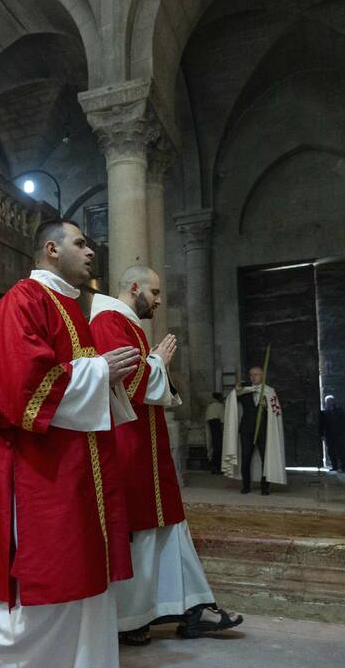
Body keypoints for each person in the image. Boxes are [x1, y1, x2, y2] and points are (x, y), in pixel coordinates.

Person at [0, 220, 139, 668]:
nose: (92, 251)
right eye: (82, 243)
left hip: (80, 471)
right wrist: (99, 371)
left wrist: (107, 374)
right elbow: (23, 385)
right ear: (52, 249)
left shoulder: (71, 310)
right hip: (42, 474)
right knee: (51, 585)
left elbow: (80, 380)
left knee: (86, 588)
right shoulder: (23, 301)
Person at [90, 266, 242, 646]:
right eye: (154, 292)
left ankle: (194, 607)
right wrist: (157, 361)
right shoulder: (109, 320)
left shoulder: (125, 322)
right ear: (135, 288)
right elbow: (129, 380)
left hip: (146, 445)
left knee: (170, 526)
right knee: (141, 533)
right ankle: (131, 619)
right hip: (130, 446)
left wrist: (155, 362)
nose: (158, 300)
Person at [221, 366, 286, 494]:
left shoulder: (269, 391)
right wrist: (236, 391)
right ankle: (246, 486)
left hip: (263, 430)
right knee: (245, 459)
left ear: (262, 376)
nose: (253, 377)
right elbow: (231, 400)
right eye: (251, 375)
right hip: (246, 429)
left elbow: (276, 411)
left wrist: (266, 406)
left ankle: (265, 487)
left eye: (256, 374)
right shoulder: (245, 391)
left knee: (265, 458)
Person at [319, 394, 345, 471]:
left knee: (341, 450)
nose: (328, 403)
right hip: (329, 435)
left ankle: (344, 466)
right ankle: (334, 466)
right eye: (327, 402)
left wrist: (344, 432)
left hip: (339, 434)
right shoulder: (324, 413)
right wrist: (322, 434)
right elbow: (322, 425)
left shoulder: (339, 410)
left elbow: (344, 421)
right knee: (331, 451)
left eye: (329, 401)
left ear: (333, 402)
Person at [205, 392, 225, 473]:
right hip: (217, 425)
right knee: (219, 448)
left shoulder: (209, 406)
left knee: (214, 446)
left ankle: (214, 467)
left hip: (211, 426)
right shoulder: (220, 406)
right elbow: (223, 419)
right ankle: (217, 467)